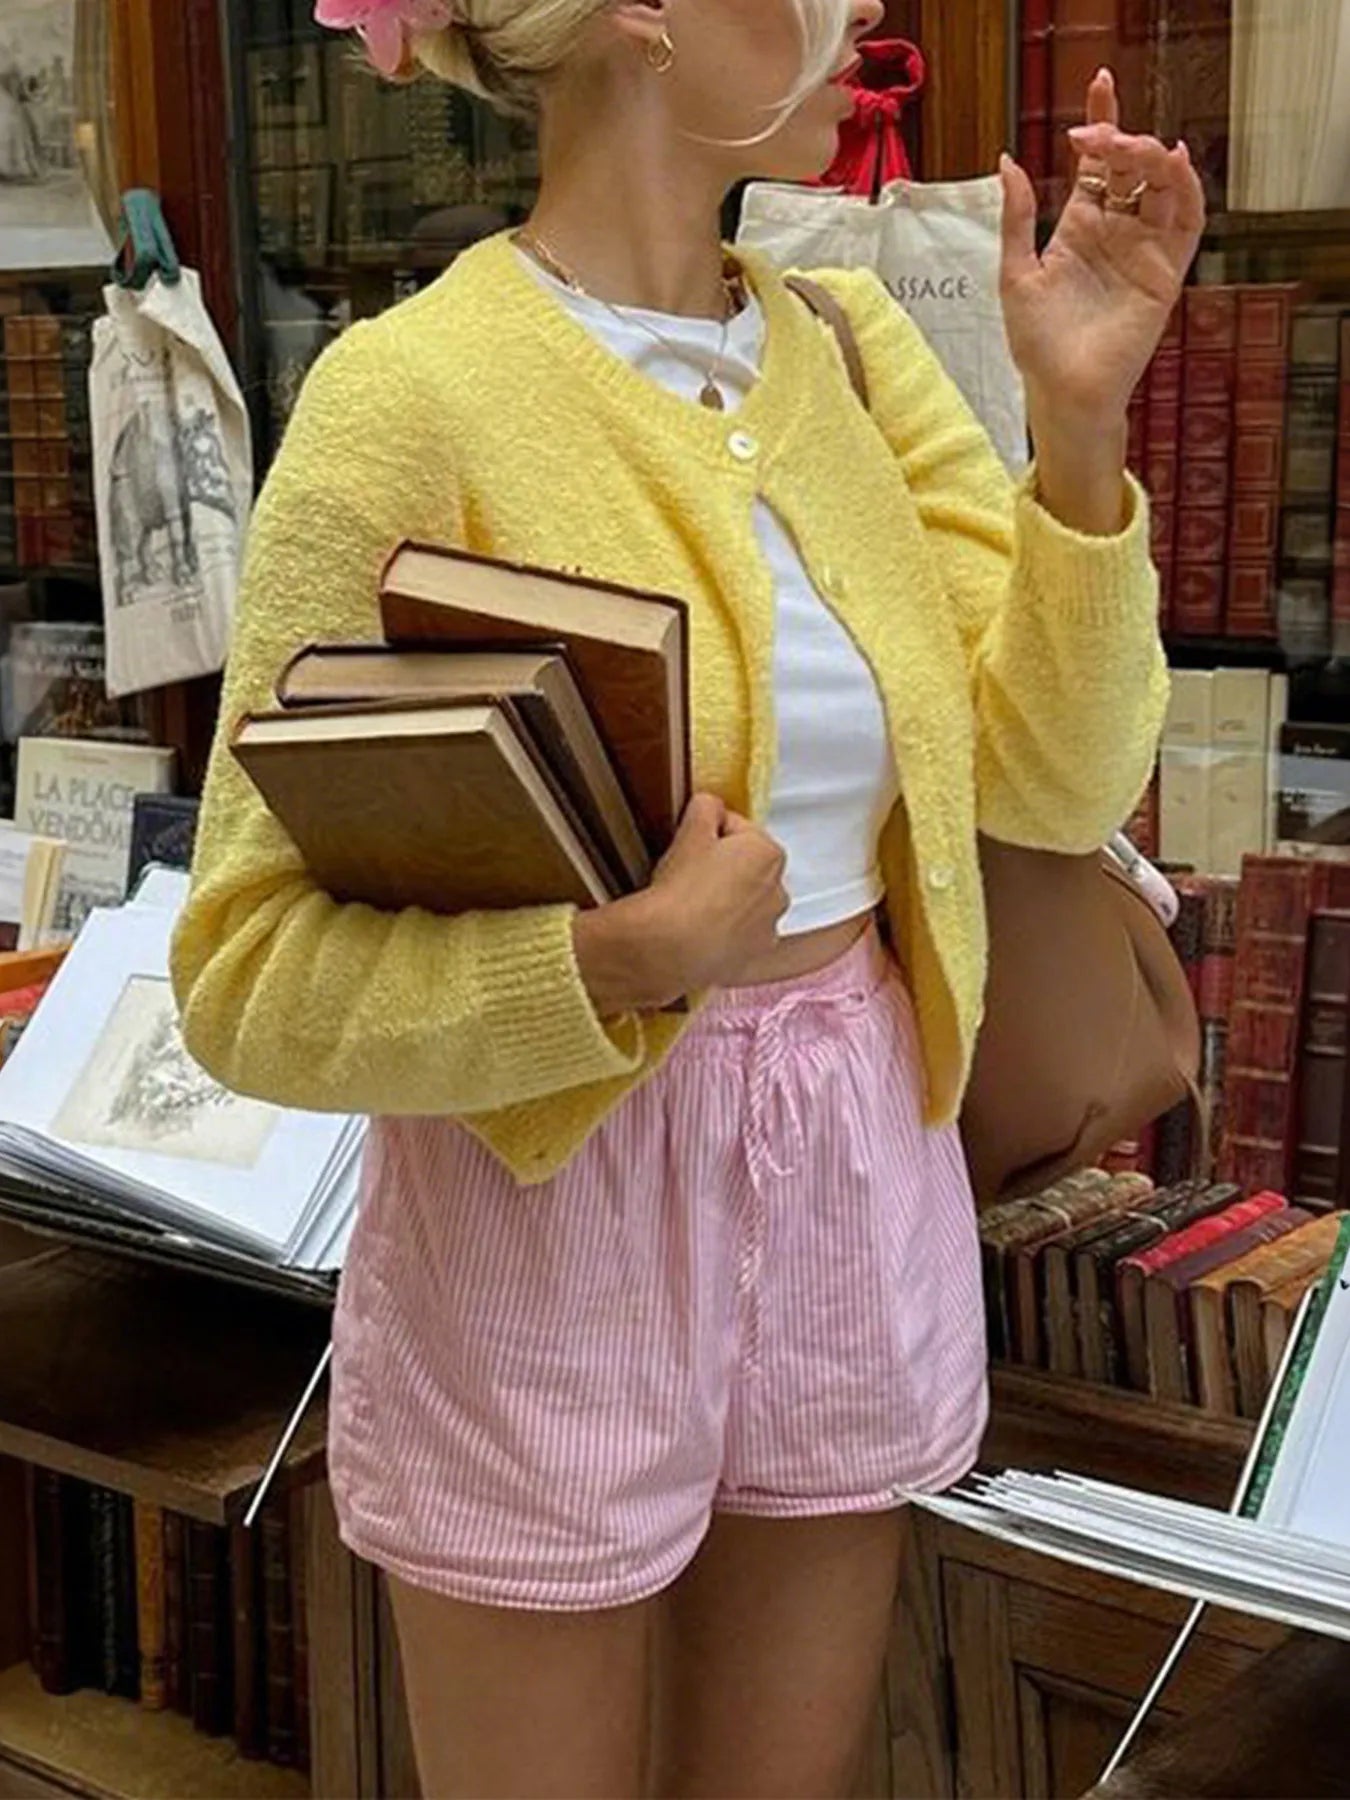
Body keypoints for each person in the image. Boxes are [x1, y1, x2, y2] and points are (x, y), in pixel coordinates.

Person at [172, 1, 1204, 1792]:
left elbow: (1051, 778)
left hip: (850, 1164)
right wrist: (614, 957)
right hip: (549, 1193)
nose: (866, 15)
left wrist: (1078, 432)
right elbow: (246, 975)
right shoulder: (407, 398)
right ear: (646, 14)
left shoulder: (855, 353)